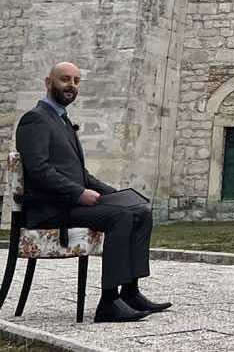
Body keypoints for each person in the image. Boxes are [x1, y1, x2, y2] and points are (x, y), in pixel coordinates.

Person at [14, 61, 171, 323]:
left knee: (140, 213)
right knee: (119, 217)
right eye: (65, 79)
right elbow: (38, 170)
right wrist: (78, 193)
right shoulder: (35, 119)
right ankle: (109, 302)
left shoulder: (62, 121)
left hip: (68, 205)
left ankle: (130, 292)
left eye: (76, 81)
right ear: (48, 82)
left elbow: (82, 175)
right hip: (48, 210)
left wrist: (115, 193)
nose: (71, 86)